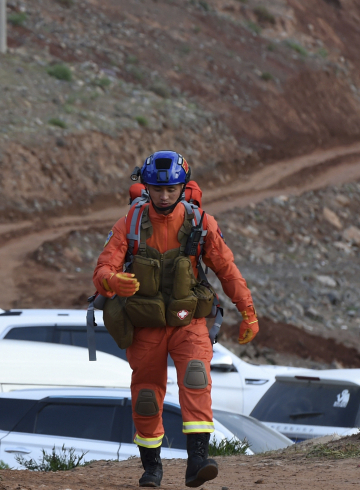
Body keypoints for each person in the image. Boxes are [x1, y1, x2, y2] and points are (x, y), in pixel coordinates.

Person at [93, 151, 258, 488]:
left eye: (171, 189)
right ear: (147, 187)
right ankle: (151, 468)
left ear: (183, 188)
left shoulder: (201, 224)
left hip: (189, 322)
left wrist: (248, 312)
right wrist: (112, 281)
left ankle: (197, 460)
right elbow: (102, 268)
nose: (164, 196)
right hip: (146, 325)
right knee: (146, 396)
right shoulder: (131, 223)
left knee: (196, 379)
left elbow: (227, 270)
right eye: (157, 189)